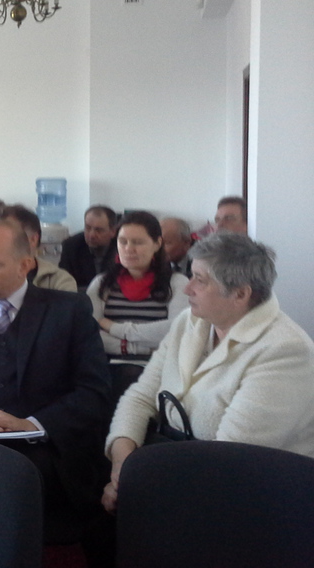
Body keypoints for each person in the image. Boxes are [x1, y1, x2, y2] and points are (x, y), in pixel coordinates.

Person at [102, 233, 314, 516]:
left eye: (200, 280)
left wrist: (140, 483)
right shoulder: (190, 322)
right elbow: (140, 397)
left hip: (253, 499)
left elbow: (229, 463)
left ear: (240, 294)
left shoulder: (285, 351)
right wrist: (121, 468)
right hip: (179, 470)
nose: (187, 288)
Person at [0, 222, 111, 546]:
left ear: (25, 265)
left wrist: (32, 424)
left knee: (6, 479)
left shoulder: (69, 311)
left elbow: (93, 392)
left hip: (46, 448)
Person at [88, 211, 189, 357]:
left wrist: (114, 327)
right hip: (108, 363)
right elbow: (90, 333)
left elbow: (177, 330)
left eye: (138, 242)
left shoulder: (177, 283)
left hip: (159, 364)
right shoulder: (101, 283)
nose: (129, 249)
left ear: (157, 244)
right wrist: (138, 348)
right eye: (123, 241)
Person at [59, 205, 118, 291]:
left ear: (113, 232)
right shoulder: (71, 246)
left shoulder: (123, 246)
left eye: (98, 230)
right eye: (88, 228)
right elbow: (63, 284)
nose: (91, 235)